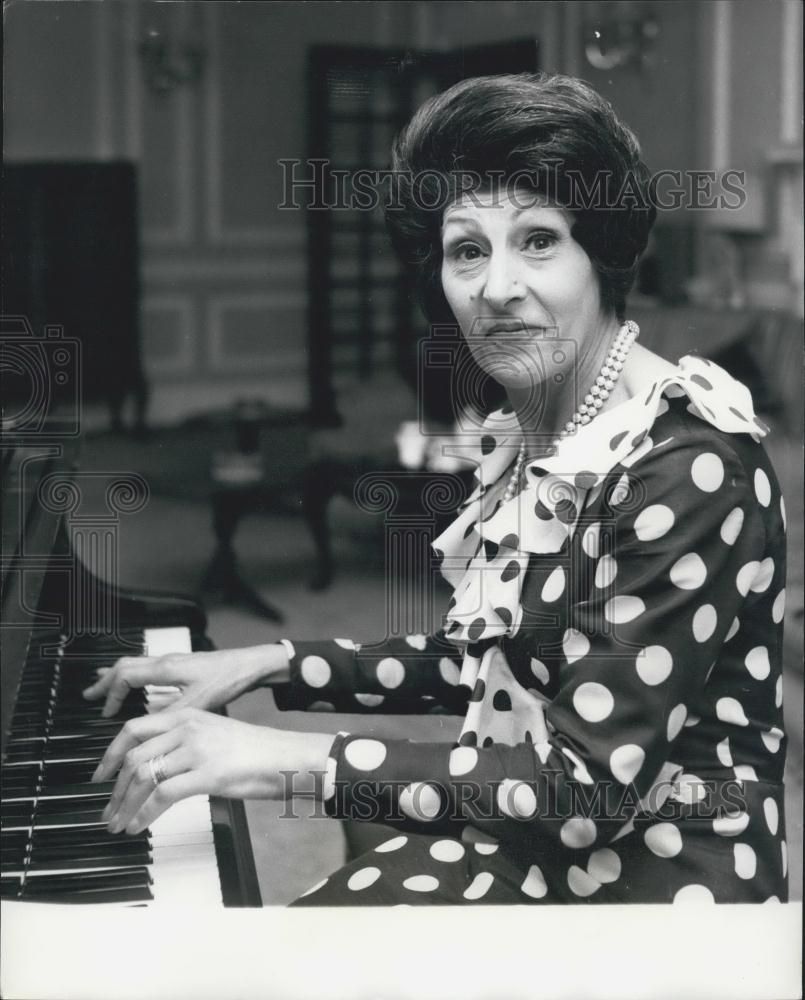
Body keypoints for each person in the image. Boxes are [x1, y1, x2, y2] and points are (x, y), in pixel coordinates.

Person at [85, 74, 788, 905]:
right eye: (467, 249)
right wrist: (271, 662)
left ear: (599, 252)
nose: (495, 287)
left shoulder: (682, 465)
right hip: (535, 834)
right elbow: (487, 662)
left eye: (537, 240)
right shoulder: (539, 439)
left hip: (656, 883)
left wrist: (280, 757)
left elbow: (583, 795)